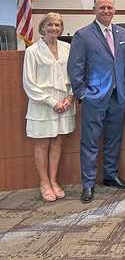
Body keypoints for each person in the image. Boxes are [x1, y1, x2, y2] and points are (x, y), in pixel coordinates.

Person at [68, 0, 125, 204]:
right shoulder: (83, 35)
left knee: (113, 139)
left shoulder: (122, 33)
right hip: (93, 97)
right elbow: (75, 68)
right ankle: (88, 184)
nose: (106, 11)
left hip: (118, 95)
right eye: (101, 7)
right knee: (89, 143)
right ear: (94, 10)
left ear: (115, 9)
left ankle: (110, 175)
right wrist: (81, 93)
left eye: (109, 7)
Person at [22, 12, 76, 201]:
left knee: (57, 141)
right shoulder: (33, 51)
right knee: (43, 142)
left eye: (57, 25)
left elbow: (73, 75)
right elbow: (29, 83)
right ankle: (43, 182)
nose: (54, 28)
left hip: (65, 101)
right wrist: (52, 102)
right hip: (43, 102)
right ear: (42, 27)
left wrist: (70, 97)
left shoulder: (67, 48)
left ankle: (53, 181)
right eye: (50, 25)